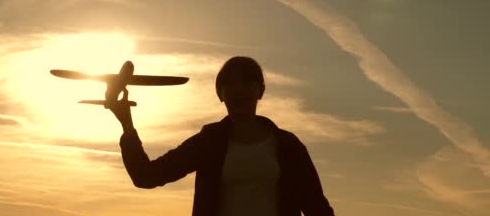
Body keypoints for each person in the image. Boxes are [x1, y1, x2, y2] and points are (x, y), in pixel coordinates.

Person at [109, 56, 335, 216]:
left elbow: (317, 208)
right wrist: (127, 125)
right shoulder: (208, 142)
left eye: (248, 82)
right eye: (230, 84)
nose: (239, 90)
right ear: (220, 94)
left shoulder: (288, 145)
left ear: (261, 91)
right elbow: (146, 176)